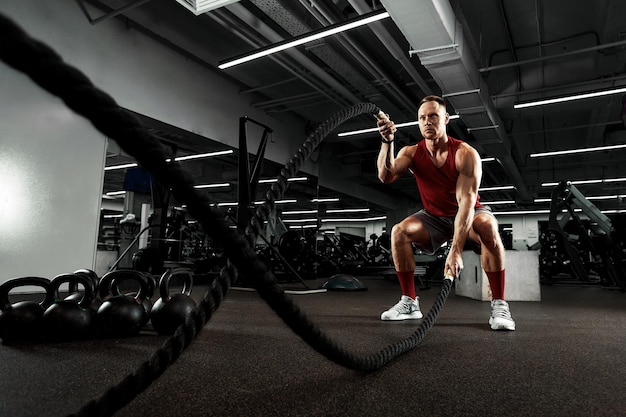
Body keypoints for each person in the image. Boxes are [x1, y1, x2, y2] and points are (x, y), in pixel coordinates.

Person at [376, 95, 515, 331]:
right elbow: (386, 175)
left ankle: (499, 304)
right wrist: (388, 142)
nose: (427, 121)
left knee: (488, 227)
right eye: (422, 118)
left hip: (469, 213)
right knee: (399, 232)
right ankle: (409, 302)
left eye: (433, 116)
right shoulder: (411, 152)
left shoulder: (464, 154)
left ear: (446, 119)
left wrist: (455, 251)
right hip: (433, 216)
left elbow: (466, 204)